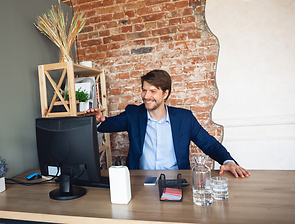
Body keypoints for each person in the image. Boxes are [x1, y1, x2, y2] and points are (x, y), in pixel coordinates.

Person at [85, 70, 250, 178]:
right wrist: (100, 120)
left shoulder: (184, 118)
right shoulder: (133, 114)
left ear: (165, 93)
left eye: (153, 91)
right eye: (144, 90)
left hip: (176, 180)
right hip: (139, 182)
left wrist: (228, 161)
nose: (146, 96)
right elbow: (109, 124)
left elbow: (209, 144)